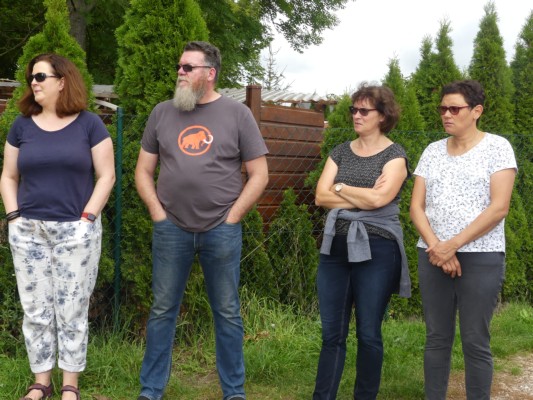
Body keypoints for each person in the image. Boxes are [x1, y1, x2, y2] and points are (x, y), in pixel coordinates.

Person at [134, 41, 269, 400]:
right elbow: (143, 171)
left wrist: (233, 218)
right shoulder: (162, 113)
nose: (180, 72)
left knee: (226, 312)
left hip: (220, 231)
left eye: (188, 67)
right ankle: (151, 391)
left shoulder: (238, 115)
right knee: (163, 311)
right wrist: (157, 215)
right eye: (179, 66)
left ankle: (234, 392)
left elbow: (259, 174)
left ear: (210, 74)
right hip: (171, 229)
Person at [0, 53, 115, 400]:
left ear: (62, 81)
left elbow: (106, 175)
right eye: (31, 77)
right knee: (35, 310)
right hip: (29, 232)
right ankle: (41, 382)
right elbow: (8, 176)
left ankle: (70, 384)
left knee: (72, 309)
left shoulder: (89, 124)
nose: (33, 81)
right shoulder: (21, 125)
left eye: (40, 76)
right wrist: (14, 218)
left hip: (75, 232)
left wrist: (88, 218)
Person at [410, 80, 517, 400]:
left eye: (454, 108)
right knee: (436, 338)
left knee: (474, 340)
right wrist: (437, 247)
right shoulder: (431, 151)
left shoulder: (498, 148)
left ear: (476, 111)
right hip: (432, 254)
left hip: (481, 256)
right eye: (442, 108)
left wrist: (452, 244)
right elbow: (416, 206)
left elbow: (499, 207)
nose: (446, 114)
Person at [313, 83, 411, 400]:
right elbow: (319, 195)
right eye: (353, 109)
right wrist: (358, 194)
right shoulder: (340, 151)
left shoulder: (395, 156)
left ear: (382, 116)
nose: (356, 115)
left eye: (363, 110)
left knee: (369, 333)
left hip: (378, 249)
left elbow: (380, 199)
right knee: (332, 334)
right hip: (335, 250)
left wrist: (340, 187)